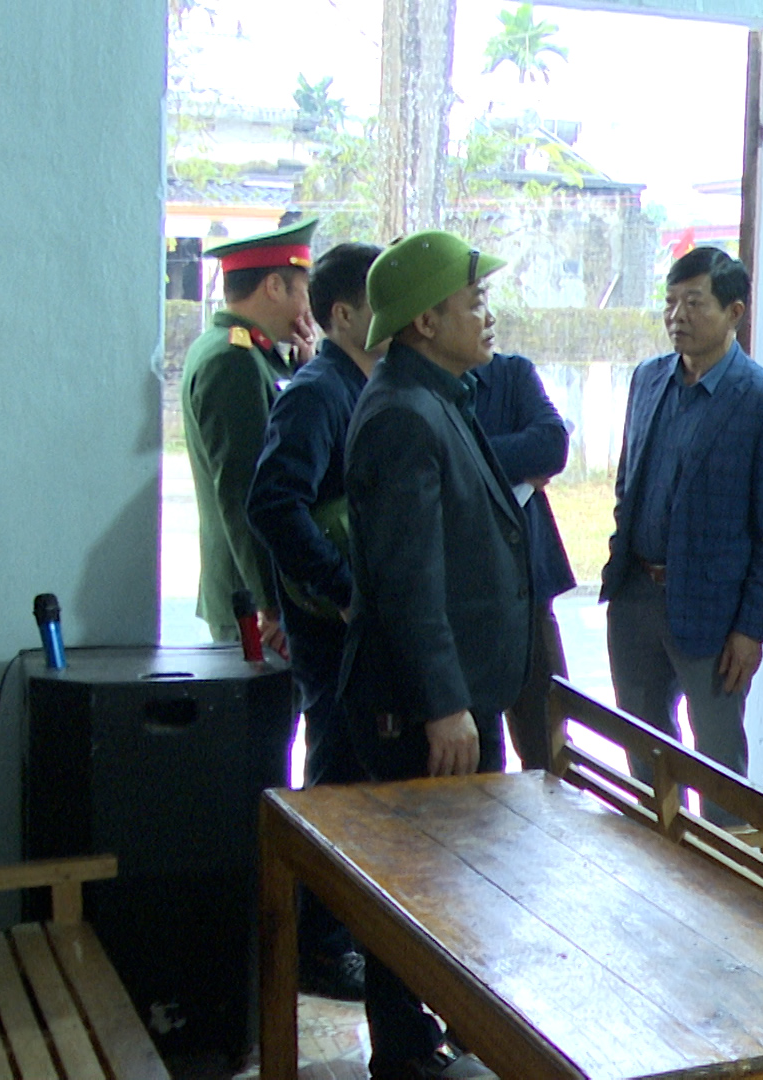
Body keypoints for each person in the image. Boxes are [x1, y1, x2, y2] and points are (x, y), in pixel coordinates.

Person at [340, 230, 531, 1080]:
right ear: (425, 319)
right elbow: (409, 582)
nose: (487, 317)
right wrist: (445, 703)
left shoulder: (436, 395)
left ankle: (428, 1038)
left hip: (455, 694)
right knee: (413, 885)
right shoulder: (401, 415)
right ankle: (405, 1057)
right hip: (421, 707)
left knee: (447, 881)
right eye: (474, 302)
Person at [602, 246, 763, 793]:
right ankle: (654, 841)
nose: (677, 316)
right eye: (670, 302)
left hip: (715, 613)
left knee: (717, 759)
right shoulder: (648, 380)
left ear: (734, 312)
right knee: (642, 746)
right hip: (636, 596)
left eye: (694, 302)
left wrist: (752, 629)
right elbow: (628, 484)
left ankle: (723, 848)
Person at [246, 240, 382, 1003]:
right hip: (331, 631)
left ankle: (336, 933)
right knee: (336, 783)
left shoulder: (364, 383)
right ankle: (321, 949)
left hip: (349, 627)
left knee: (355, 779)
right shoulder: (320, 390)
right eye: (383, 302)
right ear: (344, 315)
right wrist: (341, 588)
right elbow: (273, 503)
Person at [182, 215, 320, 648]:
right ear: (274, 286)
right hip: (252, 609)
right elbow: (243, 488)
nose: (308, 308)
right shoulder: (232, 360)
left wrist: (305, 368)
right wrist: (271, 602)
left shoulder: (251, 354)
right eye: (304, 291)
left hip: (255, 598)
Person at [470, 350, 575, 770]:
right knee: (478, 758)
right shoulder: (420, 388)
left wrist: (472, 461)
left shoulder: (512, 374)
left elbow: (551, 446)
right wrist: (512, 464)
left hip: (527, 587)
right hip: (463, 596)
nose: (487, 321)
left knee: (550, 747)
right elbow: (436, 459)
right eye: (473, 313)